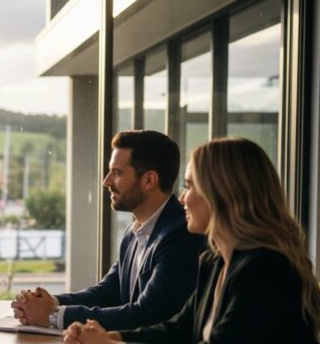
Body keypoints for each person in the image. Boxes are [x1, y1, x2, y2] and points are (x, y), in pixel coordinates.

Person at [62, 137, 320, 344]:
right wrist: (109, 338)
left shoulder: (267, 270)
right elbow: (178, 329)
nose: (182, 198)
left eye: (189, 186)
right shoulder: (215, 261)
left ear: (224, 194)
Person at [12, 130, 204, 331]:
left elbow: (147, 315)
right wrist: (46, 302)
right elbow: (107, 293)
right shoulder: (135, 230)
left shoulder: (180, 235)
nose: (107, 181)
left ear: (149, 180)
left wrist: (53, 315)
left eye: (117, 173)